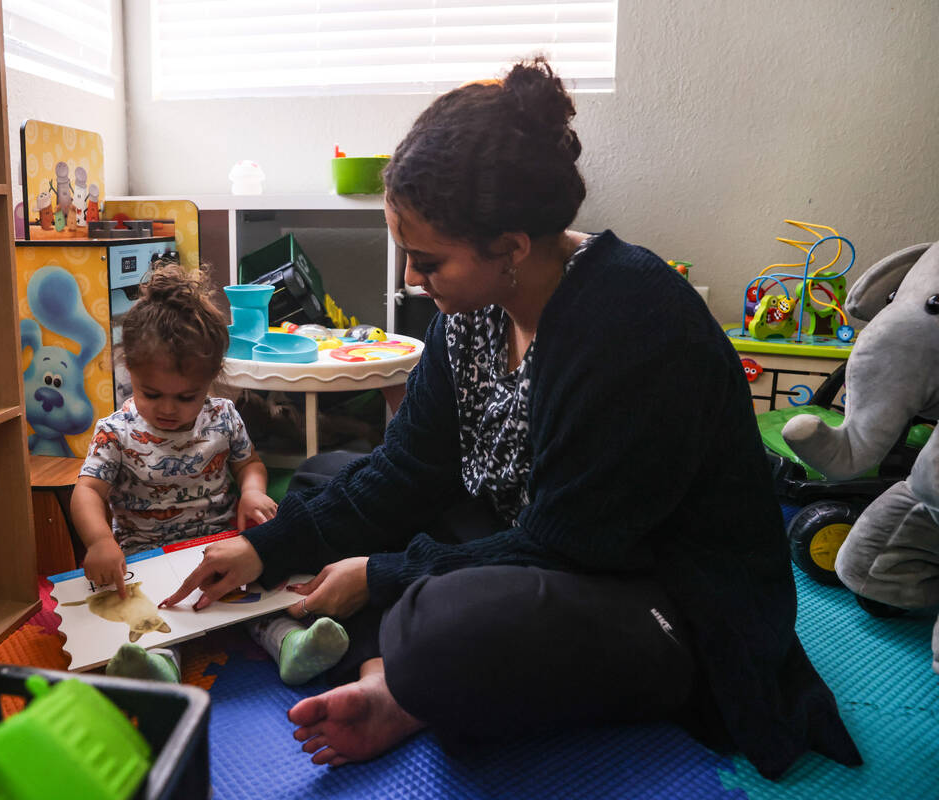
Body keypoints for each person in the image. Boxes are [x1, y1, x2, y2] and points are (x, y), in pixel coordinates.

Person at [161, 58, 862, 778]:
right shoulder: (473, 312)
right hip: (531, 535)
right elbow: (408, 468)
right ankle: (391, 670)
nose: (409, 280)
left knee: (445, 629)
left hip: (655, 593)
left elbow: (570, 546)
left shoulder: (636, 326)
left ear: (513, 250)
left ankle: (405, 682)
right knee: (324, 480)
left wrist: (381, 574)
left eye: (428, 262)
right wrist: (268, 548)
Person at [71, 264, 349, 685]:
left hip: (218, 547)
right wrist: (99, 541)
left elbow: (248, 463)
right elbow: (88, 489)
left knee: (258, 601)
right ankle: (159, 666)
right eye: (151, 394)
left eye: (186, 397)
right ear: (130, 373)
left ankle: (292, 645)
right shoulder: (116, 431)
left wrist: (253, 492)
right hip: (142, 555)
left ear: (212, 378)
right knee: (149, 616)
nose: (167, 408)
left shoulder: (223, 417)